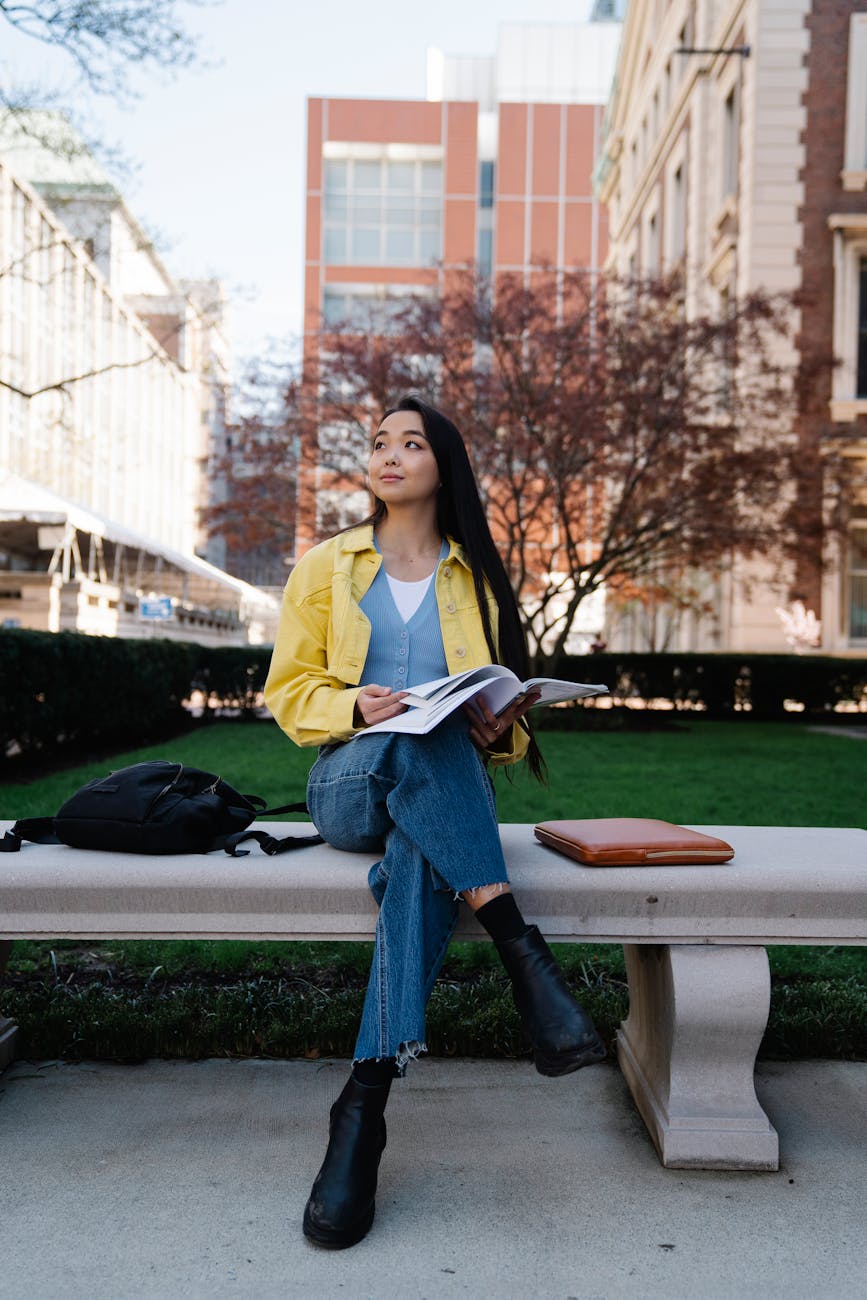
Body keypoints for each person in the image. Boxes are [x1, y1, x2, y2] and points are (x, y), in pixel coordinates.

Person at [264, 395, 605, 1250]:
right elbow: (288, 693)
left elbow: (495, 705)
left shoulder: (473, 576)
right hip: (350, 779)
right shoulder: (327, 566)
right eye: (378, 443)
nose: (387, 455)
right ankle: (517, 946)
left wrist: (503, 724)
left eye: (409, 443)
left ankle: (362, 1108)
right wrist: (354, 705)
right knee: (413, 739)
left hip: (436, 796)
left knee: (421, 846)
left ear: (440, 466)